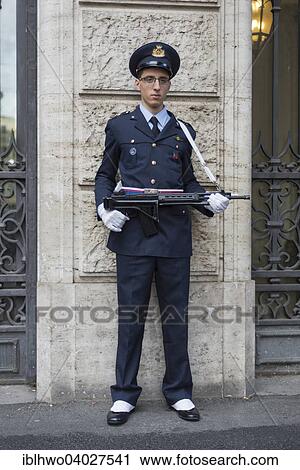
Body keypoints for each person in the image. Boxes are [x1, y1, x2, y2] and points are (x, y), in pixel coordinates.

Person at [95, 42, 229, 426]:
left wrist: (208, 203)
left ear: (169, 85)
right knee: (130, 317)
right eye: (149, 79)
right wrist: (106, 208)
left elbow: (186, 182)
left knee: (176, 319)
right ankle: (124, 395)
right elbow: (106, 174)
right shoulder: (120, 126)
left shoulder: (184, 131)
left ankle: (179, 392)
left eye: (163, 80)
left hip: (172, 238)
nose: (156, 86)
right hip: (133, 237)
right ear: (138, 83)